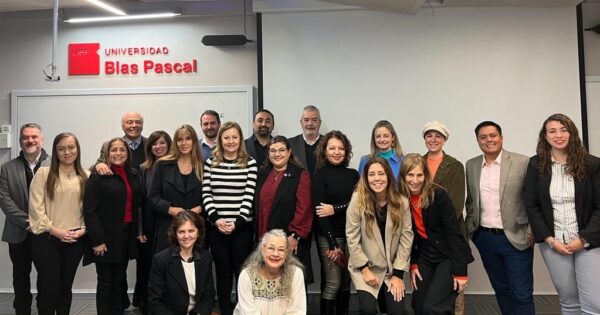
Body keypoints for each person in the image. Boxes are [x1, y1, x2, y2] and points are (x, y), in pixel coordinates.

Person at [523, 113, 600, 314]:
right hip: (553, 243)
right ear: (545, 137)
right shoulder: (535, 165)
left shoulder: (592, 165)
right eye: (552, 131)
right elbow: (532, 205)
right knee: (569, 301)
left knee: (594, 303)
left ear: (572, 133)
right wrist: (549, 240)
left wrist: (583, 239)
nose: (559, 135)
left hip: (588, 242)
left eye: (563, 129)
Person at [465, 121, 534, 315]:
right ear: (478, 141)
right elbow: (470, 201)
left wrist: (531, 232)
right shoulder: (471, 165)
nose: (489, 140)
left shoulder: (522, 162)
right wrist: (472, 231)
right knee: (502, 290)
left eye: (493, 135)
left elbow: (533, 200)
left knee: (521, 293)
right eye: (483, 137)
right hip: (485, 238)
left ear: (501, 137)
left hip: (516, 237)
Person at [398, 153, 473, 315]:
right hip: (425, 255)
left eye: (420, 175)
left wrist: (461, 271)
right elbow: (409, 236)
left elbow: (454, 234)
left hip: (447, 255)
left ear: (426, 176)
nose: (415, 180)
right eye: (410, 175)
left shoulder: (438, 196)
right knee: (418, 304)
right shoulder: (401, 199)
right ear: (403, 176)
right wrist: (413, 263)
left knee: (433, 308)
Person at [28, 132, 89, 315]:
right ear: (55, 152)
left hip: (74, 239)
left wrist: (83, 230)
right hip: (46, 238)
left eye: (71, 147)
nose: (67, 152)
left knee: (65, 287)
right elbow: (35, 208)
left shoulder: (87, 175)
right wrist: (55, 230)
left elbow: (91, 208)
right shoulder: (44, 173)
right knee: (49, 287)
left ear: (77, 149)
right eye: (61, 149)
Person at [202, 121, 257, 315]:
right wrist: (216, 219)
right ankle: (225, 310)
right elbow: (206, 193)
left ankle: (242, 311)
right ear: (220, 139)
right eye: (226, 137)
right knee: (222, 274)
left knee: (242, 273)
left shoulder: (249, 163)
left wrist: (237, 222)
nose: (230, 141)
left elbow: (249, 196)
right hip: (217, 228)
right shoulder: (211, 162)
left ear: (240, 139)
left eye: (234, 137)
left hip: (241, 228)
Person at [346, 157, 413, 315]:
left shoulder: (402, 201)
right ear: (366, 177)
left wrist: (398, 275)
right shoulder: (357, 200)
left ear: (388, 176)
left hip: (392, 270)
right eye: (371, 174)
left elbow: (406, 238)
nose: (376, 178)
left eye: (381, 174)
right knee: (368, 310)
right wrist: (364, 269)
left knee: (397, 311)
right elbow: (352, 238)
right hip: (366, 267)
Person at [83, 137, 142, 315]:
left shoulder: (133, 174)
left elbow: (137, 204)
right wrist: (97, 240)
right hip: (105, 238)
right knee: (106, 282)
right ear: (107, 154)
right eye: (114, 150)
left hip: (126, 235)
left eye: (122, 150)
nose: (118, 154)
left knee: (119, 281)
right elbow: (90, 211)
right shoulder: (98, 175)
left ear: (128, 153)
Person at [0, 123, 49, 315]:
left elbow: (59, 199)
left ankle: (45, 309)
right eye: (26, 137)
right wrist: (27, 222)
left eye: (34, 137)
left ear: (41, 139)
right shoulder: (6, 168)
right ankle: (22, 310)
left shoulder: (54, 164)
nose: (30, 140)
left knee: (46, 276)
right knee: (20, 277)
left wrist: (41, 222)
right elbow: (5, 200)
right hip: (18, 231)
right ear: (20, 141)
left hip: (46, 231)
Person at [421, 120, 467, 315]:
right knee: (429, 293)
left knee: (454, 289)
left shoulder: (454, 166)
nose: (433, 140)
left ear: (444, 139)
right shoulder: (417, 163)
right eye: (429, 136)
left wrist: (434, 225)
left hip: (450, 235)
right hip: (424, 237)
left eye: (438, 136)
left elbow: (456, 204)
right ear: (424, 139)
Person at [255, 136, 314, 286]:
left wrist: (295, 235)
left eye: (282, 150)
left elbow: (305, 208)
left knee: (292, 285)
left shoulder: (300, 174)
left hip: (289, 240)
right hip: (264, 240)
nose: (277, 154)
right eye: (273, 150)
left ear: (289, 152)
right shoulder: (262, 174)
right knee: (268, 284)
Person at [312, 130, 358, 315]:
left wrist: (335, 208)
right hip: (330, 236)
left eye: (341, 148)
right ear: (324, 151)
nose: (337, 152)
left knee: (347, 281)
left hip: (353, 236)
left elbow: (359, 204)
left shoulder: (353, 174)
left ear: (346, 152)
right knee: (333, 283)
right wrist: (332, 244)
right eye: (332, 148)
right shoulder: (320, 175)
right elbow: (320, 212)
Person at [148, 211, 215, 315]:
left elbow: (208, 295)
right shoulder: (161, 260)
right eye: (181, 232)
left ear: (198, 233)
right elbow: (155, 301)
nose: (186, 236)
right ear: (175, 234)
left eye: (191, 231)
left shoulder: (206, 257)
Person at [149, 124, 203, 253]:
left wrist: (199, 208)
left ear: (194, 141)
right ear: (175, 142)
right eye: (180, 139)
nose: (184, 143)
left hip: (194, 227)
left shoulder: (203, 166)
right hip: (168, 226)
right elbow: (153, 196)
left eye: (188, 139)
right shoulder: (162, 165)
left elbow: (210, 196)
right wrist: (170, 209)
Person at [135, 130, 172, 314]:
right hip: (149, 222)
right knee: (147, 265)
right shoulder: (144, 168)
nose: (158, 147)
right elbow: (140, 202)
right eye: (154, 144)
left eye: (162, 143)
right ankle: (148, 304)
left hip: (167, 221)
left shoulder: (174, 164)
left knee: (167, 263)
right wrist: (140, 228)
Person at [233, 229, 306, 315]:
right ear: (262, 250)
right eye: (271, 248)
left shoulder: (296, 274)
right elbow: (248, 312)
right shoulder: (247, 275)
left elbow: (297, 311)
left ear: (286, 254)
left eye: (281, 250)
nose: (276, 254)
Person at [288, 105, 323, 177]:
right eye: (306, 120)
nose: (310, 123)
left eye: (314, 120)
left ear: (320, 123)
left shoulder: (328, 143)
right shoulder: (290, 144)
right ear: (301, 123)